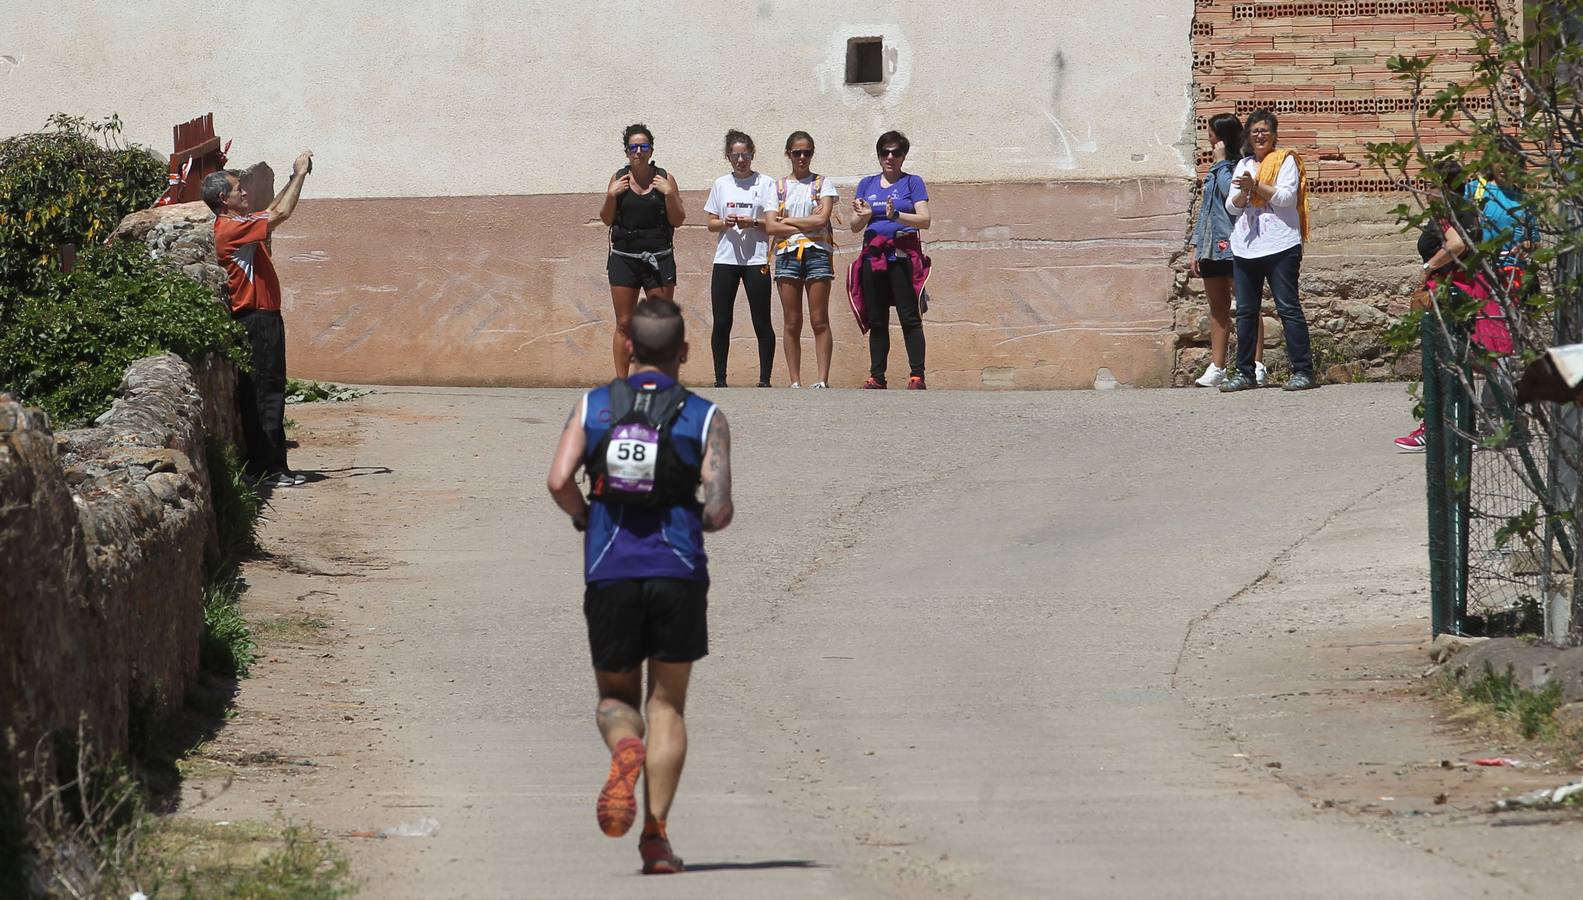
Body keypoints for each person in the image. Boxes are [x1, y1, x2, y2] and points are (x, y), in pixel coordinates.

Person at [546, 296, 734, 875]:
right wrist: (695, 518)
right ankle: (655, 838)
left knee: (616, 699)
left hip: (610, 568)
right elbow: (721, 508)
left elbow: (558, 480)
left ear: (628, 347)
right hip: (678, 571)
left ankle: (624, 747)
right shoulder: (706, 417)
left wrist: (585, 516)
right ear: (683, 351)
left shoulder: (594, 406)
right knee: (667, 705)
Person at [201, 153, 314, 488]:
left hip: (260, 319)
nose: (245, 194)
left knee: (265, 390)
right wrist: (301, 175)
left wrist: (294, 177)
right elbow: (280, 213)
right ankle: (268, 469)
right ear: (224, 199)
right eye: (239, 190)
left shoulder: (239, 225)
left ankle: (270, 466)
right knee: (266, 392)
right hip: (255, 319)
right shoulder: (231, 229)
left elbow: (271, 212)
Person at [1395, 160, 1514, 451]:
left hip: (1456, 291)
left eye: (1429, 185)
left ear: (1444, 186)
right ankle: (1468, 427)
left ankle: (1438, 428)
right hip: (1471, 288)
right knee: (1464, 360)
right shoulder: (1466, 208)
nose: (1424, 191)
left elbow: (1457, 244)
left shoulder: (1449, 211)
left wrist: (1427, 268)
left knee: (1446, 360)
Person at [1220, 109, 1318, 393]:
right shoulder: (1244, 164)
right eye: (1254, 131)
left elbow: (1287, 198)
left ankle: (1302, 370)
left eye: (1264, 130)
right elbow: (1231, 207)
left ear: (1274, 135)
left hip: (1280, 245)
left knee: (1288, 308)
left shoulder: (1286, 160)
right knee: (1246, 311)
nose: (1259, 136)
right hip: (1246, 247)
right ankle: (1245, 372)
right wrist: (1243, 193)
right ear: (1248, 137)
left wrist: (1257, 186)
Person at [600, 124, 684, 378]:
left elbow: (678, 219)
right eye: (634, 147)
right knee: (625, 324)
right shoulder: (618, 179)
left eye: (644, 146)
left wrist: (670, 195)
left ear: (651, 150)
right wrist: (610, 196)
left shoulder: (665, 179)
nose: (639, 152)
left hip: (659, 258)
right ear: (627, 152)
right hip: (624, 258)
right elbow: (606, 219)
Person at [850, 130, 932, 390]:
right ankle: (877, 376)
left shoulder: (912, 183)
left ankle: (917, 375)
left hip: (901, 256)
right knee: (877, 318)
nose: (890, 157)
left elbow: (925, 220)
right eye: (885, 152)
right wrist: (864, 215)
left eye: (896, 152)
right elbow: (854, 225)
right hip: (873, 257)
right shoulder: (867, 184)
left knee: (909, 316)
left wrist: (896, 215)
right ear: (879, 155)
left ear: (904, 155)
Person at [1188, 113, 1265, 387]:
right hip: (1211, 247)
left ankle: (1256, 365)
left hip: (1235, 246)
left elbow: (1228, 195)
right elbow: (1205, 212)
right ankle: (1217, 367)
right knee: (1217, 309)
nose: (1206, 136)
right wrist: (1196, 246)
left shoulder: (1239, 166)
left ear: (1220, 136)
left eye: (1209, 132)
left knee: (1247, 307)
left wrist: (1222, 163)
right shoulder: (1213, 169)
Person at [765, 131, 839, 389]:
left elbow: (822, 220)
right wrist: (804, 224)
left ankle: (822, 379)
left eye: (807, 152)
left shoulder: (823, 184)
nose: (802, 157)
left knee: (819, 319)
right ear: (789, 154)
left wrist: (788, 221)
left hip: (817, 252)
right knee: (792, 320)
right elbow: (771, 228)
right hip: (787, 254)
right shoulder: (777, 187)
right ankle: (794, 380)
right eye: (797, 152)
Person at [704, 130, 777, 387]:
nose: (741, 160)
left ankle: (764, 379)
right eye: (736, 155)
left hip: (756, 260)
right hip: (725, 260)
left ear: (752, 154)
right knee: (722, 320)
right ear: (728, 157)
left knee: (761, 320)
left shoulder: (766, 183)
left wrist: (753, 222)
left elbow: (773, 223)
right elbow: (710, 223)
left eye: (745, 154)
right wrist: (724, 223)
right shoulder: (721, 184)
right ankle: (720, 379)